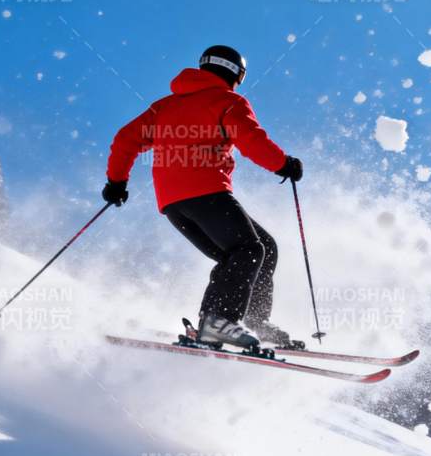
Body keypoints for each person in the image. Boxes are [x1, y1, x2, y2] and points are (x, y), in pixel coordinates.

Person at [102, 45, 304, 350]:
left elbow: (125, 139)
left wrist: (117, 182)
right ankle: (218, 321)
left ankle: (248, 321)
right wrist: (283, 164)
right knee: (248, 249)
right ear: (237, 74)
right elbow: (252, 141)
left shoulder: (163, 107)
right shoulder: (228, 101)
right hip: (208, 192)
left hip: (174, 205)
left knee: (259, 249)